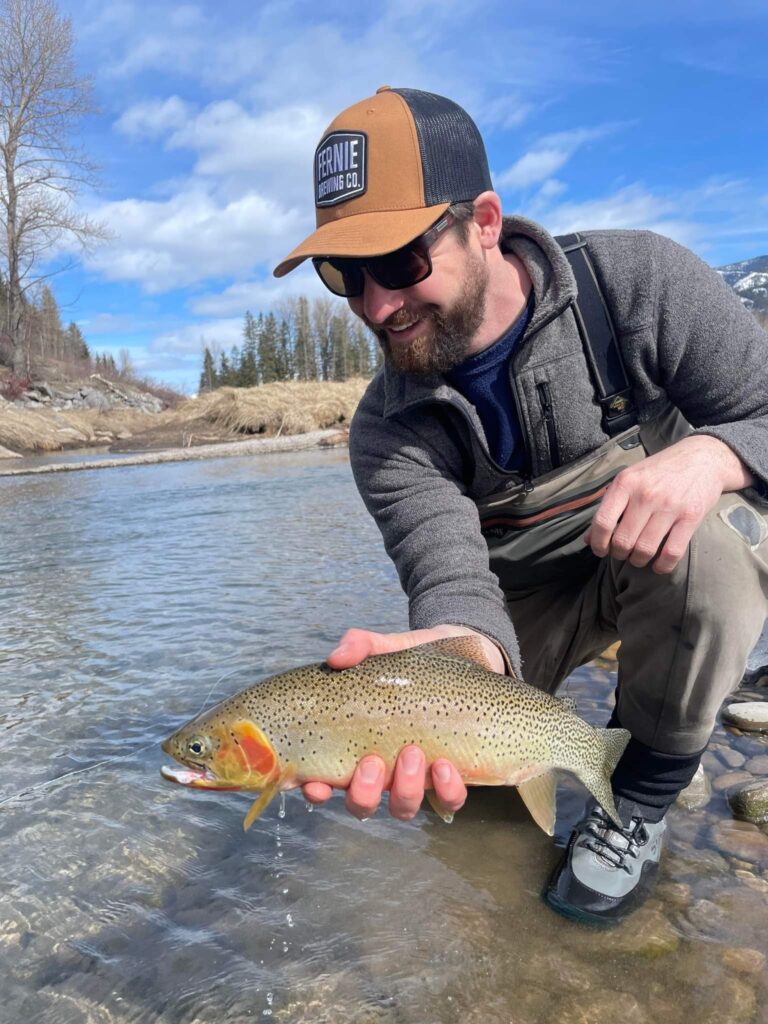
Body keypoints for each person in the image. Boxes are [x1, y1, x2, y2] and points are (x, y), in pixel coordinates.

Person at [273, 86, 768, 925]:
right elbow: (450, 579)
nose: (377, 305)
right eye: (344, 276)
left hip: (660, 565)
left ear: (486, 222)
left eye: (400, 261)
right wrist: (463, 659)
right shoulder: (387, 430)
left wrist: (713, 454)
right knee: (468, 824)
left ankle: (637, 801)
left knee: (715, 550)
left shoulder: (639, 284)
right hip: (516, 610)